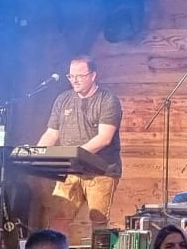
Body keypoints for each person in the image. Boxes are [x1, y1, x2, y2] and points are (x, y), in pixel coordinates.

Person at [37, 55, 123, 232]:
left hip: (101, 172)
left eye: (80, 76)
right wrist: (37, 153)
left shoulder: (108, 100)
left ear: (93, 76)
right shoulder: (63, 99)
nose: (74, 80)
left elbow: (104, 138)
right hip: (70, 171)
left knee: (99, 221)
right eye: (71, 76)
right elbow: (51, 133)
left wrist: (74, 155)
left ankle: (104, 248)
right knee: (58, 218)